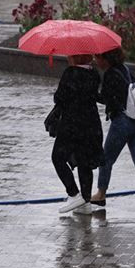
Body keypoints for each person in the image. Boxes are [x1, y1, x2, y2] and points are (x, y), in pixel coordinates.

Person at [91, 48, 135, 209]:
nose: (95, 60)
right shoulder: (126, 70)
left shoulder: (110, 75)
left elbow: (107, 99)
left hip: (122, 122)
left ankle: (101, 194)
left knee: (106, 159)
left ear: (105, 58)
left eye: (97, 57)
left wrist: (92, 94)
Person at [52, 54, 105, 215]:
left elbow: (59, 98)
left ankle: (74, 193)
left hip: (72, 124)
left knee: (58, 157)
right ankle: (86, 201)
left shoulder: (71, 73)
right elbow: (93, 95)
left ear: (75, 56)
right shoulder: (93, 73)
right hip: (91, 124)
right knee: (84, 161)